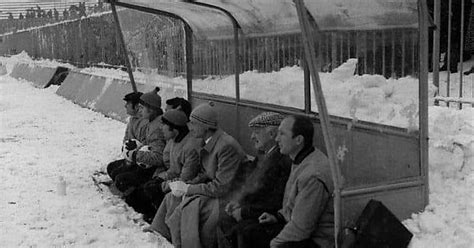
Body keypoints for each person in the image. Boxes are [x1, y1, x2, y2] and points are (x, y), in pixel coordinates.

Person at [147, 102, 247, 248]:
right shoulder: (209, 141)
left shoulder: (226, 146)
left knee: (188, 206)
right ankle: (161, 235)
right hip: (215, 191)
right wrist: (188, 184)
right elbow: (206, 173)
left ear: (205, 126)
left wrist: (189, 189)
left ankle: (184, 244)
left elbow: (221, 187)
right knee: (172, 197)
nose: (189, 127)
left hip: (230, 196)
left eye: (193, 123)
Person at [242, 115, 334, 248]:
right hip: (299, 228)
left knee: (254, 236)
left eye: (282, 134)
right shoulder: (300, 158)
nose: (277, 138)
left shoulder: (312, 176)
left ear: (298, 140)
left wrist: (274, 244)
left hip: (317, 240)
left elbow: (301, 228)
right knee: (248, 231)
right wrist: (278, 216)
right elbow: (294, 206)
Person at [217, 112, 292, 248]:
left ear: (272, 134)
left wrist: (244, 211)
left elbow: (275, 200)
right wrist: (237, 202)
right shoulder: (264, 154)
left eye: (256, 132)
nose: (252, 137)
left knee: (243, 231)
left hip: (270, 215)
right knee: (223, 217)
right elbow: (250, 184)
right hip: (254, 209)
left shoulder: (282, 161)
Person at [132, 109, 201, 221]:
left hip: (186, 187)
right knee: (144, 190)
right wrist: (159, 178)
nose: (161, 128)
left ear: (174, 129)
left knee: (152, 191)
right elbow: (173, 169)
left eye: (164, 125)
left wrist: (162, 186)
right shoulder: (174, 140)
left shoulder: (190, 148)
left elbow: (185, 179)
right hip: (174, 180)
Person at [113, 87, 166, 195]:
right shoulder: (148, 122)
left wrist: (134, 155)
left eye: (141, 108)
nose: (139, 110)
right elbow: (127, 139)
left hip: (153, 168)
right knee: (114, 171)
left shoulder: (156, 127)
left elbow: (158, 157)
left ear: (150, 109)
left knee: (122, 180)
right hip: (143, 161)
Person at [106, 91, 145, 181]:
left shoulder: (145, 122)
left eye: (128, 103)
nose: (125, 106)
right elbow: (126, 138)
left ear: (136, 106)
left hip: (140, 162)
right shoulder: (132, 119)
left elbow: (145, 147)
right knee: (111, 168)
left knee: (120, 178)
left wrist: (133, 158)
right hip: (131, 158)